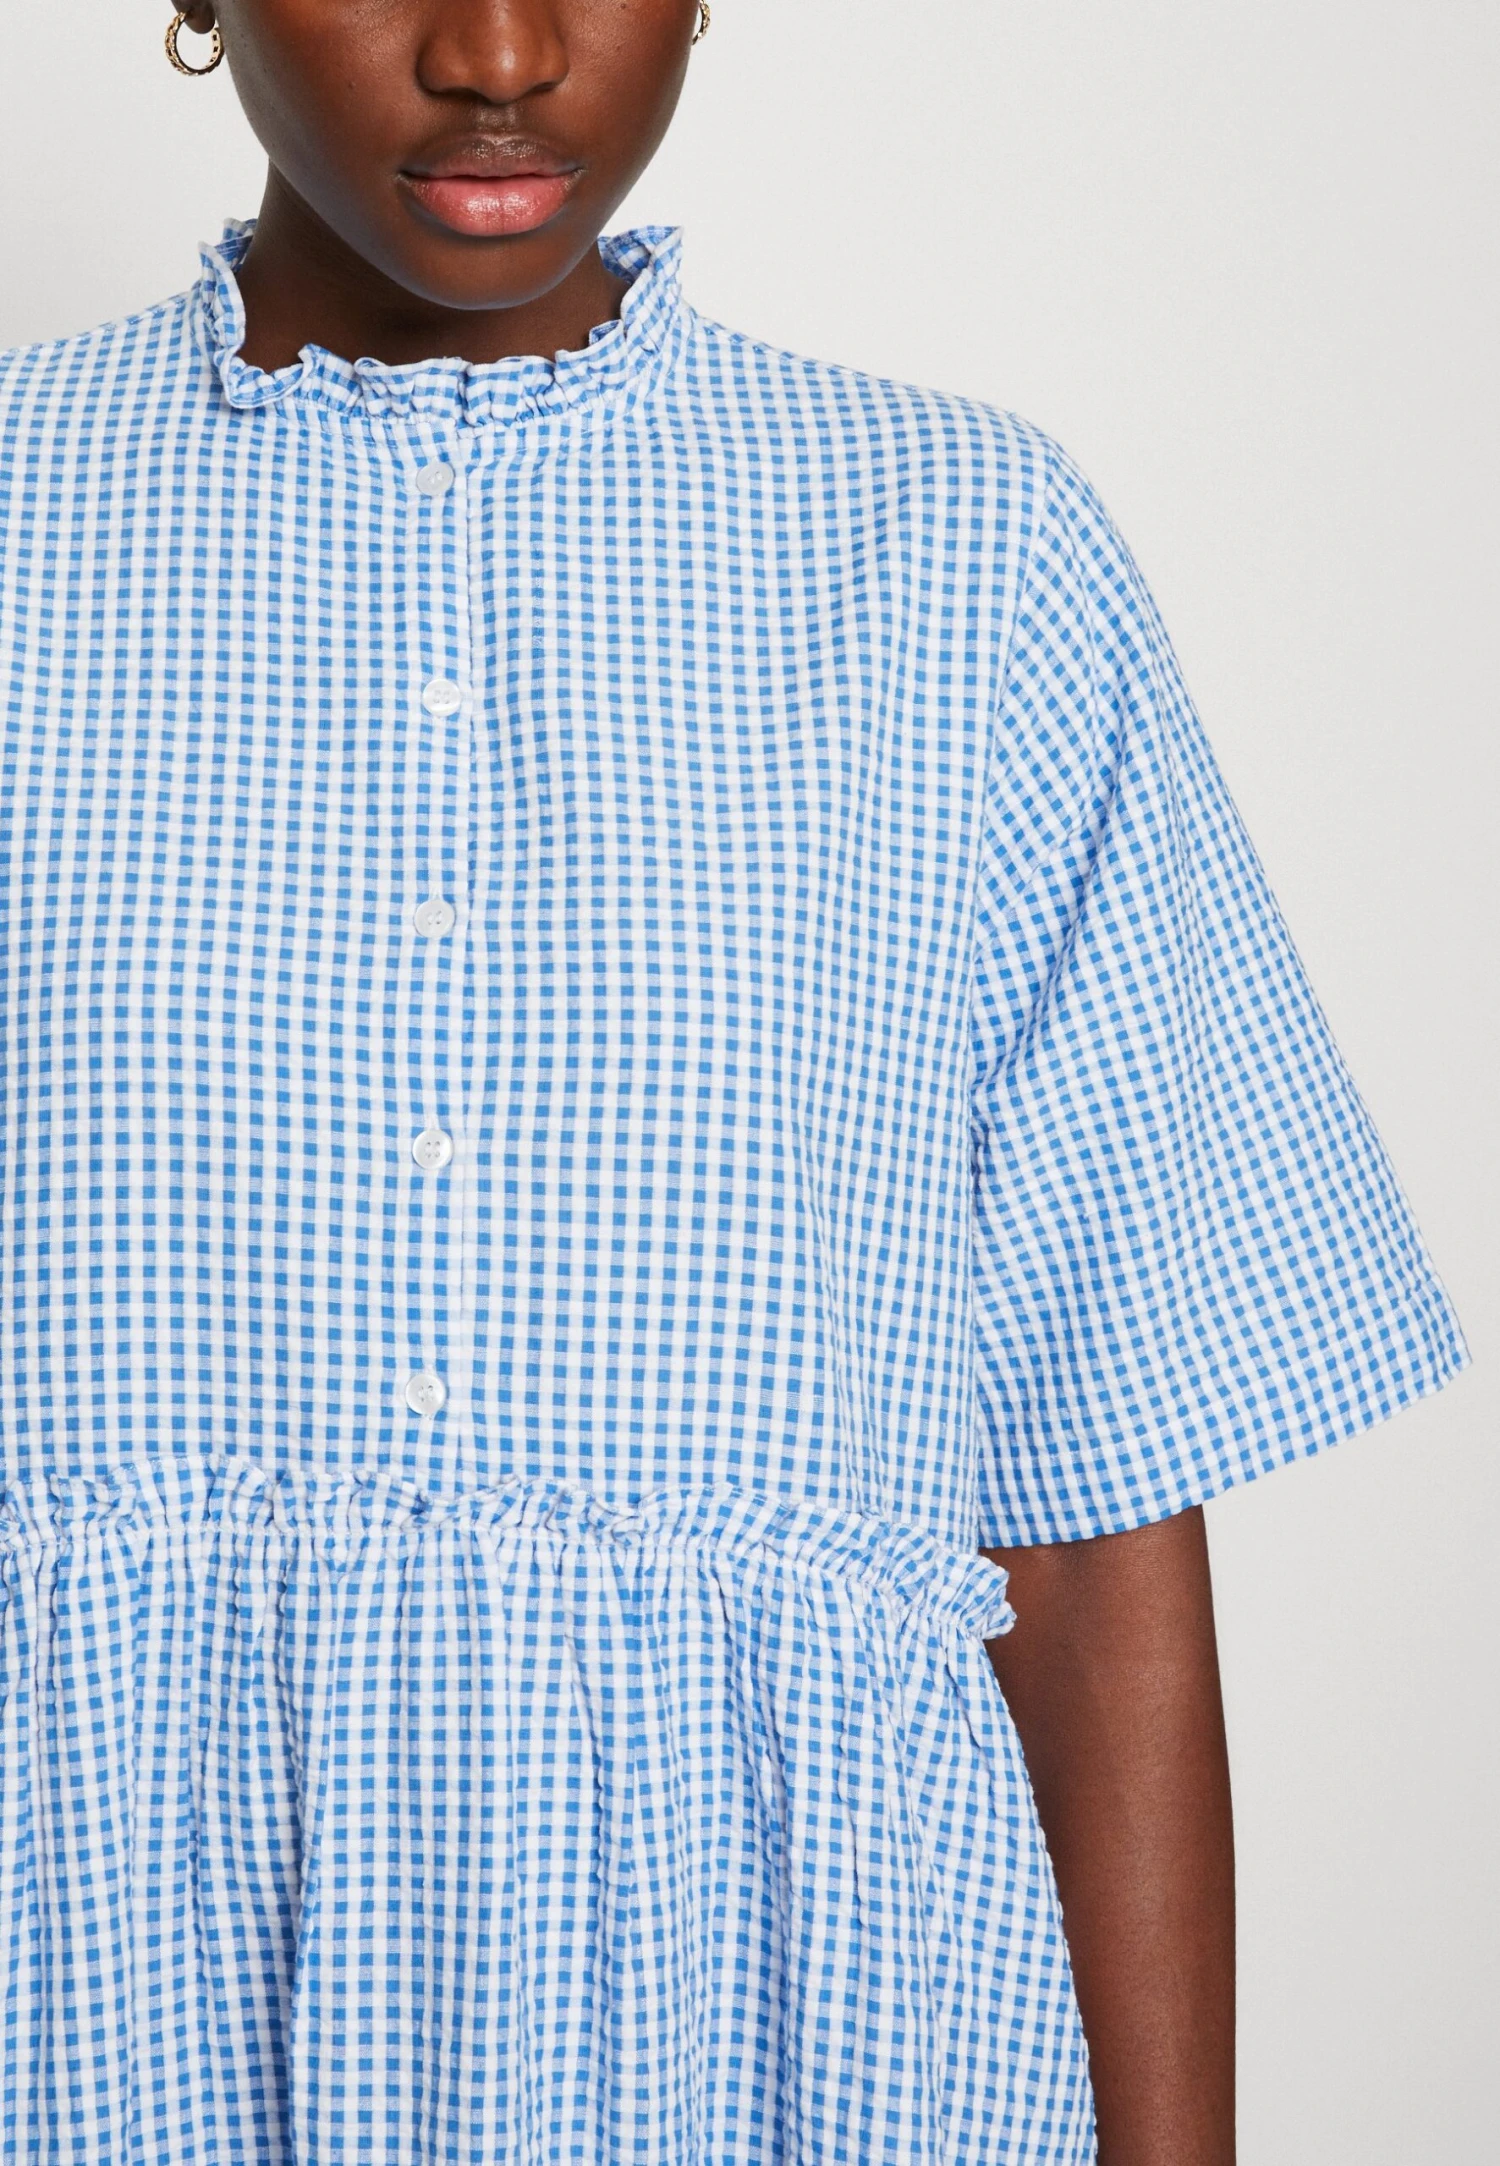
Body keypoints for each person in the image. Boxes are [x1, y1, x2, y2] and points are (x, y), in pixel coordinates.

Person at [0, 4, 1467, 2162]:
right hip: (104, 2025)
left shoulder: (966, 557)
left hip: (787, 2033)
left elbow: (1098, 1530)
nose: (502, 52)